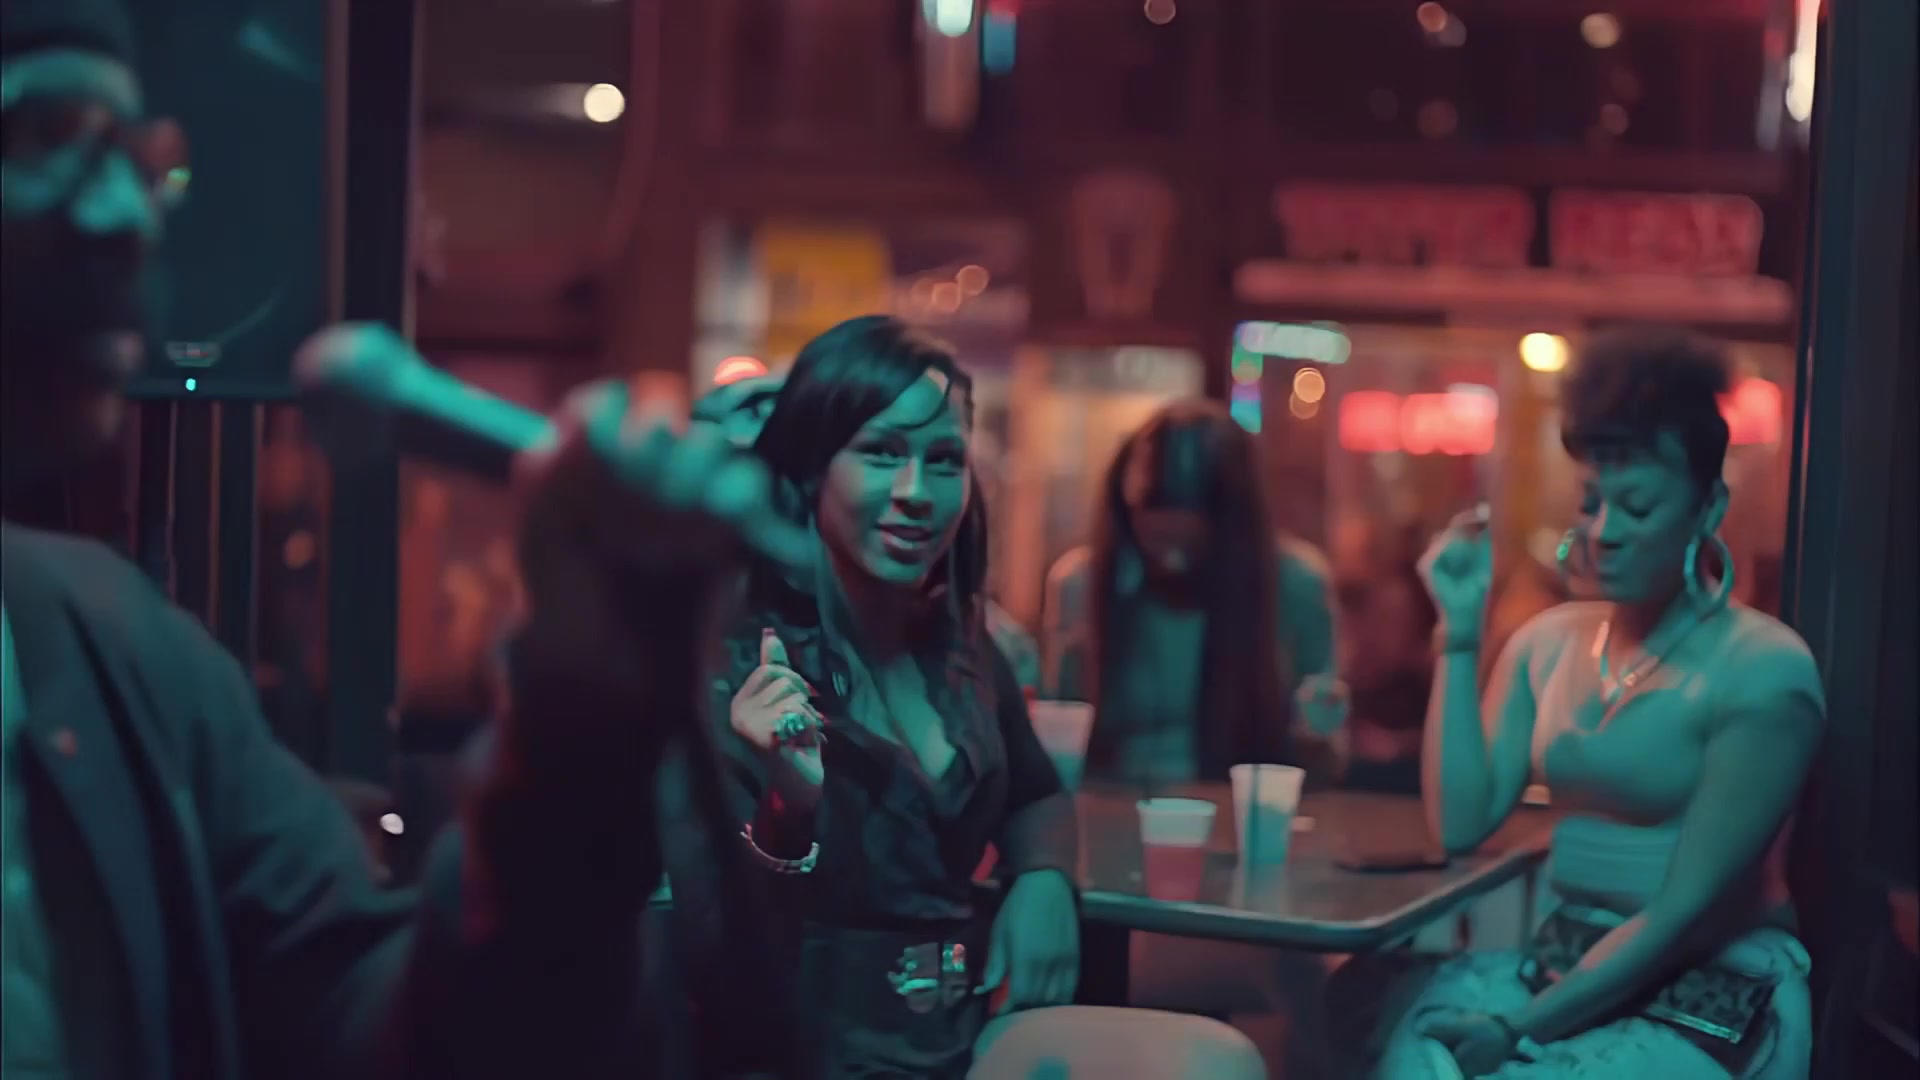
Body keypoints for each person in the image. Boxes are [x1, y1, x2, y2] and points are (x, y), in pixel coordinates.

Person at [1, 3, 790, 1076]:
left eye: (138, 161)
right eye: (43, 136)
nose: (122, 217)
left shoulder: (112, 652)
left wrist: (575, 737)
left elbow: (398, 1035)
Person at [684, 316, 1262, 1079]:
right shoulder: (734, 661)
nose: (917, 492)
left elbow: (1036, 792)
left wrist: (1044, 877)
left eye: (944, 460)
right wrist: (787, 810)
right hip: (810, 1054)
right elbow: (710, 951)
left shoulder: (955, 644)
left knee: (1218, 1061)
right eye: (882, 452)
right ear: (811, 466)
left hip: (955, 1038)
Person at [1333, 329, 1823, 1079]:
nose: (1604, 533)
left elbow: (1682, 914)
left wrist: (1516, 1028)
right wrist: (1458, 634)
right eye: (1591, 504)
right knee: (1392, 1037)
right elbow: (1461, 821)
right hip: (1559, 966)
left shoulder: (1763, 671)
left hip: (1711, 988)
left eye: (1636, 507)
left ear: (1707, 507)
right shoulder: (1550, 643)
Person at [1041, 399, 1342, 785]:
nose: (1172, 527)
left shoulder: (1296, 585)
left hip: (1237, 809)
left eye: (1198, 508)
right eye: (1154, 506)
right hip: (1107, 805)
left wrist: (1316, 732)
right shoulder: (1080, 585)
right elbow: (1056, 745)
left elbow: (1324, 765)